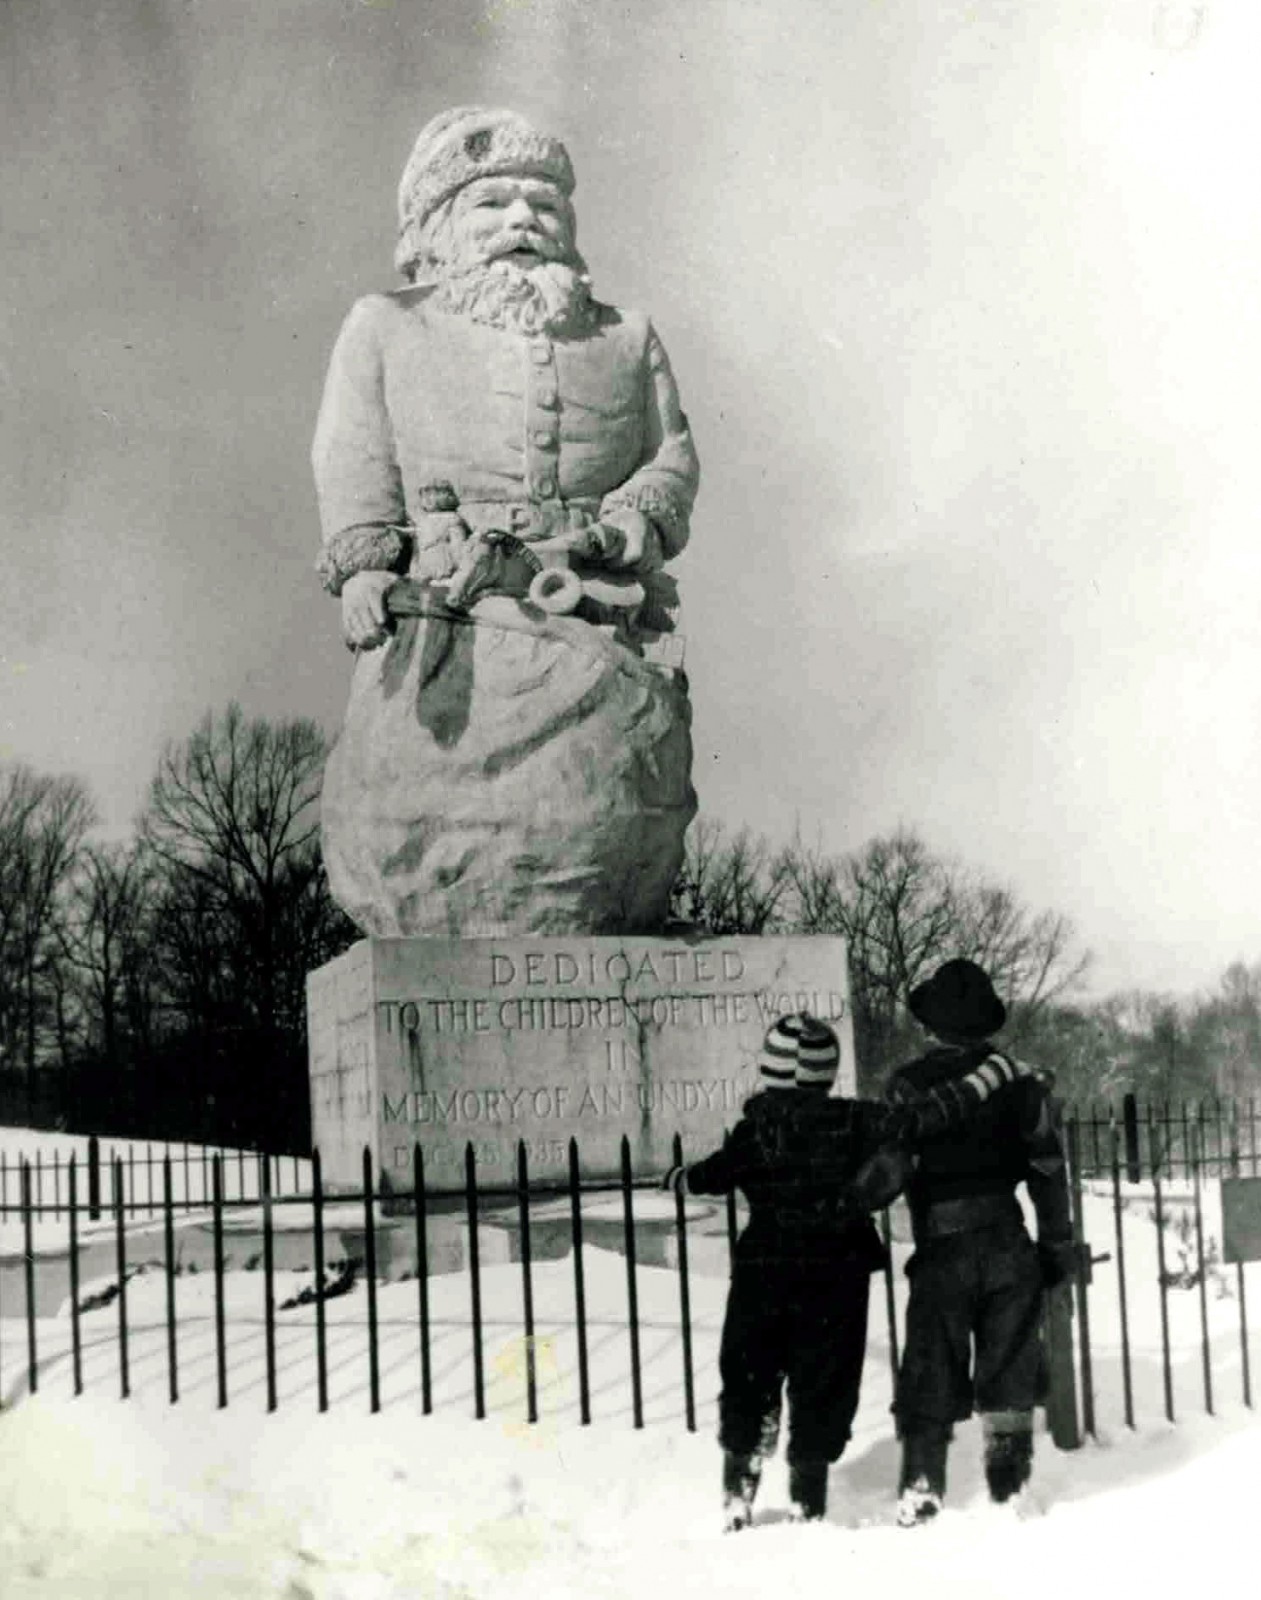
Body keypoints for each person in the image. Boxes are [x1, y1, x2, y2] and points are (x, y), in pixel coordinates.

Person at [311, 107, 700, 939]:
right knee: (428, 830)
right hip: (449, 623)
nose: (523, 219)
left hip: (591, 611)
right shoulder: (387, 326)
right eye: (491, 203)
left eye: (544, 203)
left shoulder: (627, 337)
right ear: (438, 226)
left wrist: (628, 524)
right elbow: (354, 455)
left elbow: (668, 457)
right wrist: (364, 565)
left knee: (601, 813)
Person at [661, 1011, 1042, 1531]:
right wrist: (991, 1075)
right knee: (824, 1383)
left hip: (763, 1272)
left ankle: (738, 1492)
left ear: (770, 1069)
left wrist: (679, 1178)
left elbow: (712, 1176)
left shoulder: (754, 1132)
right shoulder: (855, 1122)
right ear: (826, 1071)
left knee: (750, 1374)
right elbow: (928, 1115)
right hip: (835, 1272)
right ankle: (808, 1501)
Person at [873, 959, 1076, 1527]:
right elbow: (1047, 1172)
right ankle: (1009, 1491)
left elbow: (888, 1172)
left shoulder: (908, 1087)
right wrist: (1055, 1246)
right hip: (1007, 1243)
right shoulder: (1020, 1085)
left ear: (930, 1024)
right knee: (1010, 1370)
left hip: (941, 1248)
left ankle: (921, 1491)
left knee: (930, 1369)